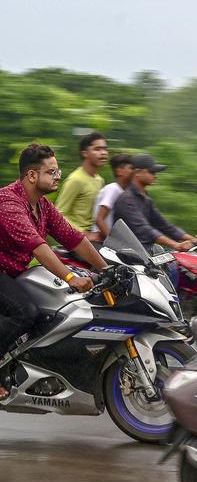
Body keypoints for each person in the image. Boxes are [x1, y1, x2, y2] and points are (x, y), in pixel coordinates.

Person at [0, 144, 109, 397]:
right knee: (24, 312)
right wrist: (71, 277)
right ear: (32, 175)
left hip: (14, 272)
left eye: (57, 171)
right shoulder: (8, 203)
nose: (57, 176)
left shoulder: (43, 206)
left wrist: (106, 268)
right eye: (52, 172)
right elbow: (38, 247)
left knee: (52, 310)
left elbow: (74, 238)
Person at [113, 154, 197, 253]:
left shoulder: (145, 199)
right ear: (138, 172)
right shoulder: (127, 200)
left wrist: (194, 240)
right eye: (152, 172)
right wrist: (175, 245)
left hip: (147, 251)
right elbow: (145, 230)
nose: (156, 175)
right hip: (131, 256)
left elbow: (165, 225)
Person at [55, 132, 109, 237]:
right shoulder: (75, 180)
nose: (103, 153)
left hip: (96, 237)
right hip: (78, 240)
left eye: (105, 149)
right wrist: (84, 234)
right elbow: (59, 215)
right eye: (97, 149)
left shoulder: (99, 180)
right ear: (85, 153)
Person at [92, 153, 133, 239]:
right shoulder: (113, 189)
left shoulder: (125, 192)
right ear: (119, 171)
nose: (134, 172)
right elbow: (99, 219)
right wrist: (113, 241)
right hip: (102, 241)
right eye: (131, 168)